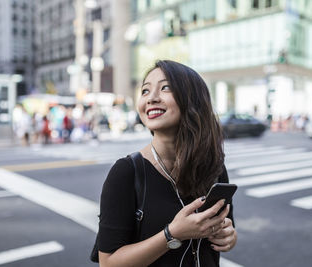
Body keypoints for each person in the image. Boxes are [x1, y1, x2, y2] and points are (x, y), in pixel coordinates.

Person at [96, 60, 237, 266]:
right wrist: (172, 234)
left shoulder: (214, 167)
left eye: (165, 88)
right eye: (145, 91)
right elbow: (108, 263)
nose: (151, 98)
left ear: (193, 99)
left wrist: (229, 237)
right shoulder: (126, 172)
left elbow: (228, 230)